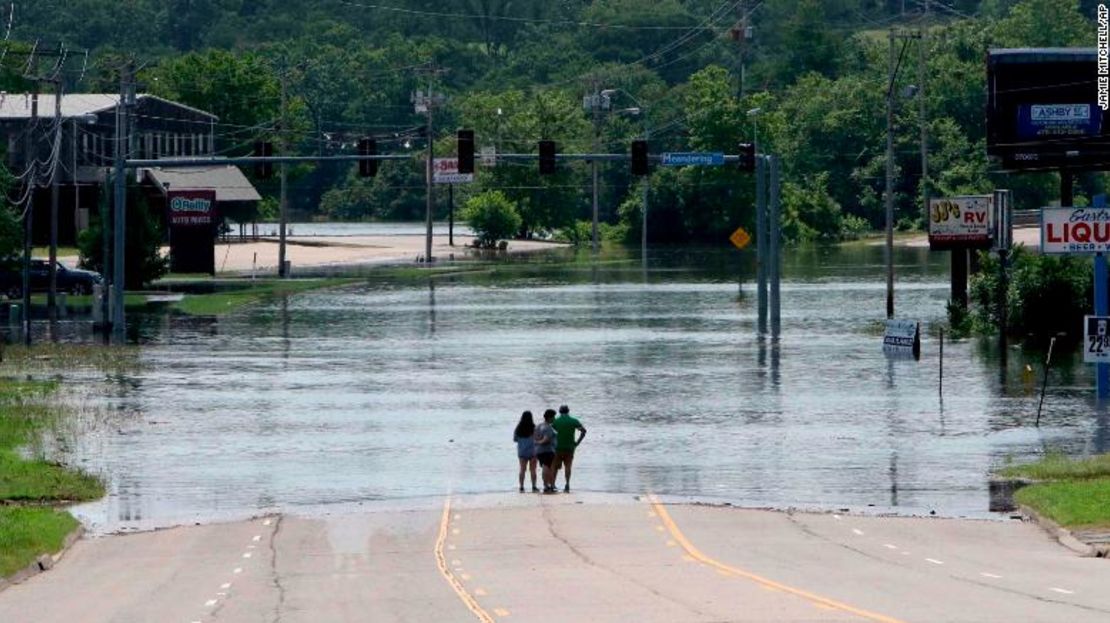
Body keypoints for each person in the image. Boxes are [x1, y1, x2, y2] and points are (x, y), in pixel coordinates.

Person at [551, 404, 587, 493]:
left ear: (559, 412)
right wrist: (577, 442)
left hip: (557, 448)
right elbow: (584, 431)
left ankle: (552, 484)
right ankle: (567, 484)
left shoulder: (555, 422)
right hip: (570, 447)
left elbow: (550, 434)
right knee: (568, 466)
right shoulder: (574, 421)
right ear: (568, 411)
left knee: (555, 467)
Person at [513, 411, 539, 492]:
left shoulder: (518, 428)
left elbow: (515, 439)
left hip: (522, 451)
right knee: (533, 470)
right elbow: (538, 438)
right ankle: (534, 486)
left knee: (522, 470)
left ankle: (521, 487)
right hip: (533, 451)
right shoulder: (534, 428)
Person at [534, 409, 558, 493]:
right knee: (547, 467)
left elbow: (534, 436)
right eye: (553, 417)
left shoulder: (539, 426)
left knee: (546, 467)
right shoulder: (547, 427)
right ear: (549, 417)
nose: (555, 419)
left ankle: (548, 485)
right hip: (547, 450)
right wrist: (539, 442)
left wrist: (536, 443)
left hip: (539, 451)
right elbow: (546, 439)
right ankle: (547, 485)